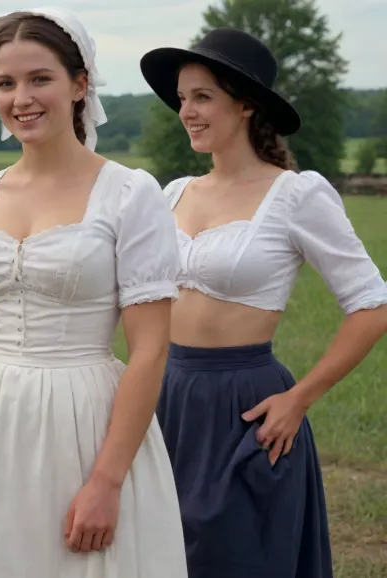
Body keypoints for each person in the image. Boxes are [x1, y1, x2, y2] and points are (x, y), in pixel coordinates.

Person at [0, 8, 188, 577]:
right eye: (5, 84)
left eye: (40, 79)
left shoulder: (130, 194)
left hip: (85, 417)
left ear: (79, 84)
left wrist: (108, 480)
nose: (21, 98)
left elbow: (150, 349)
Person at [140, 28, 387, 578]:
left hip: (244, 403)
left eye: (202, 96)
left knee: (236, 555)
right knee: (160, 554)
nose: (187, 111)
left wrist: (298, 398)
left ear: (247, 104)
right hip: (166, 394)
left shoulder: (297, 196)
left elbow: (372, 304)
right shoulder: (171, 193)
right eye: (182, 98)